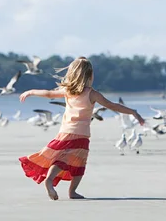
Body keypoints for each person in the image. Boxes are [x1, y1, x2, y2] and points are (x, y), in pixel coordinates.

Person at [18, 56, 145, 200]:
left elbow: (48, 94)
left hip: (65, 132)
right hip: (81, 134)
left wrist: (31, 91)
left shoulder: (68, 91)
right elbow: (113, 106)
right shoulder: (92, 93)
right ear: (90, 75)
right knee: (78, 163)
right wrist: (134, 112)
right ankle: (66, 188)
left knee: (65, 159)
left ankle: (58, 184)